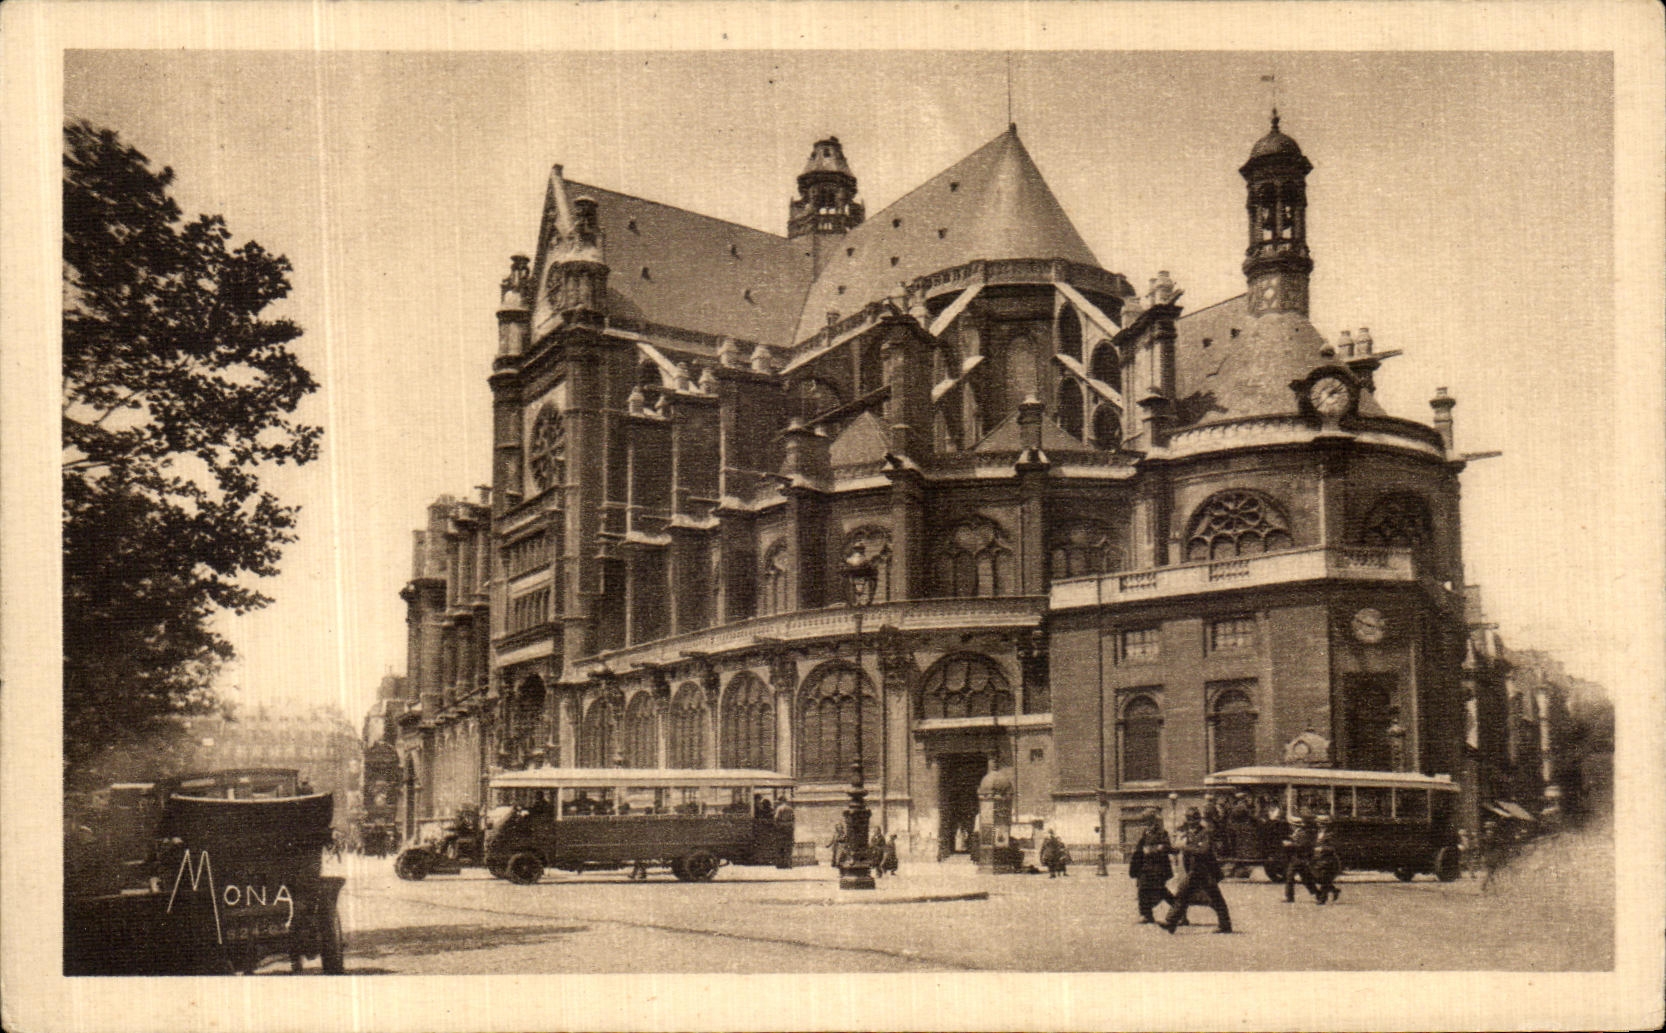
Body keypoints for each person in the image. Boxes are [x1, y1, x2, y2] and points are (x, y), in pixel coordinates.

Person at [1159, 808, 1233, 934]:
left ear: (1199, 820)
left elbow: (1204, 850)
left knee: (1184, 893)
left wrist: (1185, 847)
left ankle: (1171, 921)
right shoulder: (1188, 834)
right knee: (1211, 898)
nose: (1191, 823)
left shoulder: (1206, 833)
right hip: (1195, 871)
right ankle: (1225, 924)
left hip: (1206, 871)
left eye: (1194, 820)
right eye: (1189, 820)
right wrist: (1168, 847)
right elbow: (1178, 849)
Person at [1129, 809, 1177, 923]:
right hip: (1145, 867)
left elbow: (1166, 847)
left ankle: (1179, 910)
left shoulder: (1161, 832)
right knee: (1142, 889)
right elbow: (1141, 847)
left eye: (1147, 820)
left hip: (1157, 867)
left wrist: (1152, 850)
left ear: (1153, 819)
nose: (1146, 822)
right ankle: (1146, 915)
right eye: (1145, 820)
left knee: (1161, 891)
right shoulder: (1145, 832)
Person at [1283, 815, 1319, 903]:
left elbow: (1303, 846)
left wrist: (1290, 844)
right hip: (1297, 858)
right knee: (1305, 879)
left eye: (1291, 825)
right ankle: (1318, 893)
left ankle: (1290, 897)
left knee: (1290, 877)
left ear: (1293, 825)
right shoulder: (1297, 833)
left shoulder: (1301, 833)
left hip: (1299, 858)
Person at [1310, 816, 1342, 904]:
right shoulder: (1317, 833)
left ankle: (1322, 899)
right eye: (1318, 823)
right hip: (1318, 859)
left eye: (1320, 823)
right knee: (1319, 878)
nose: (1318, 824)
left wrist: (1322, 849)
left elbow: (1333, 847)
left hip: (1329, 859)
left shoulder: (1330, 834)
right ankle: (1334, 890)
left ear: (1325, 824)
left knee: (1324, 876)